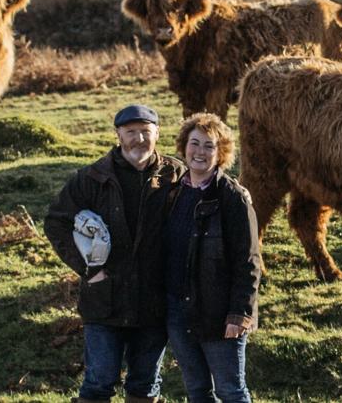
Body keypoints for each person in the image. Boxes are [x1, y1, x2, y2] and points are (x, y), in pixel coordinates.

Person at [44, 104, 185, 403]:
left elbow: (209, 189)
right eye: (131, 132)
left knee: (145, 385)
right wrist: (87, 268)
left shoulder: (176, 175)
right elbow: (56, 221)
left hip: (153, 301)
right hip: (103, 299)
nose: (139, 139)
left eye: (146, 132)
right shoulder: (91, 178)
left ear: (158, 133)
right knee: (99, 383)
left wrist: (238, 193)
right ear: (118, 135)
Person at [164, 112, 261, 403]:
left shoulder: (233, 198)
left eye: (210, 146)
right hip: (178, 313)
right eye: (195, 143)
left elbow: (249, 261)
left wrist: (240, 313)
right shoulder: (173, 193)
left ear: (221, 154)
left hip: (218, 313)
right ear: (184, 147)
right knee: (197, 391)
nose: (200, 152)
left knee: (231, 391)